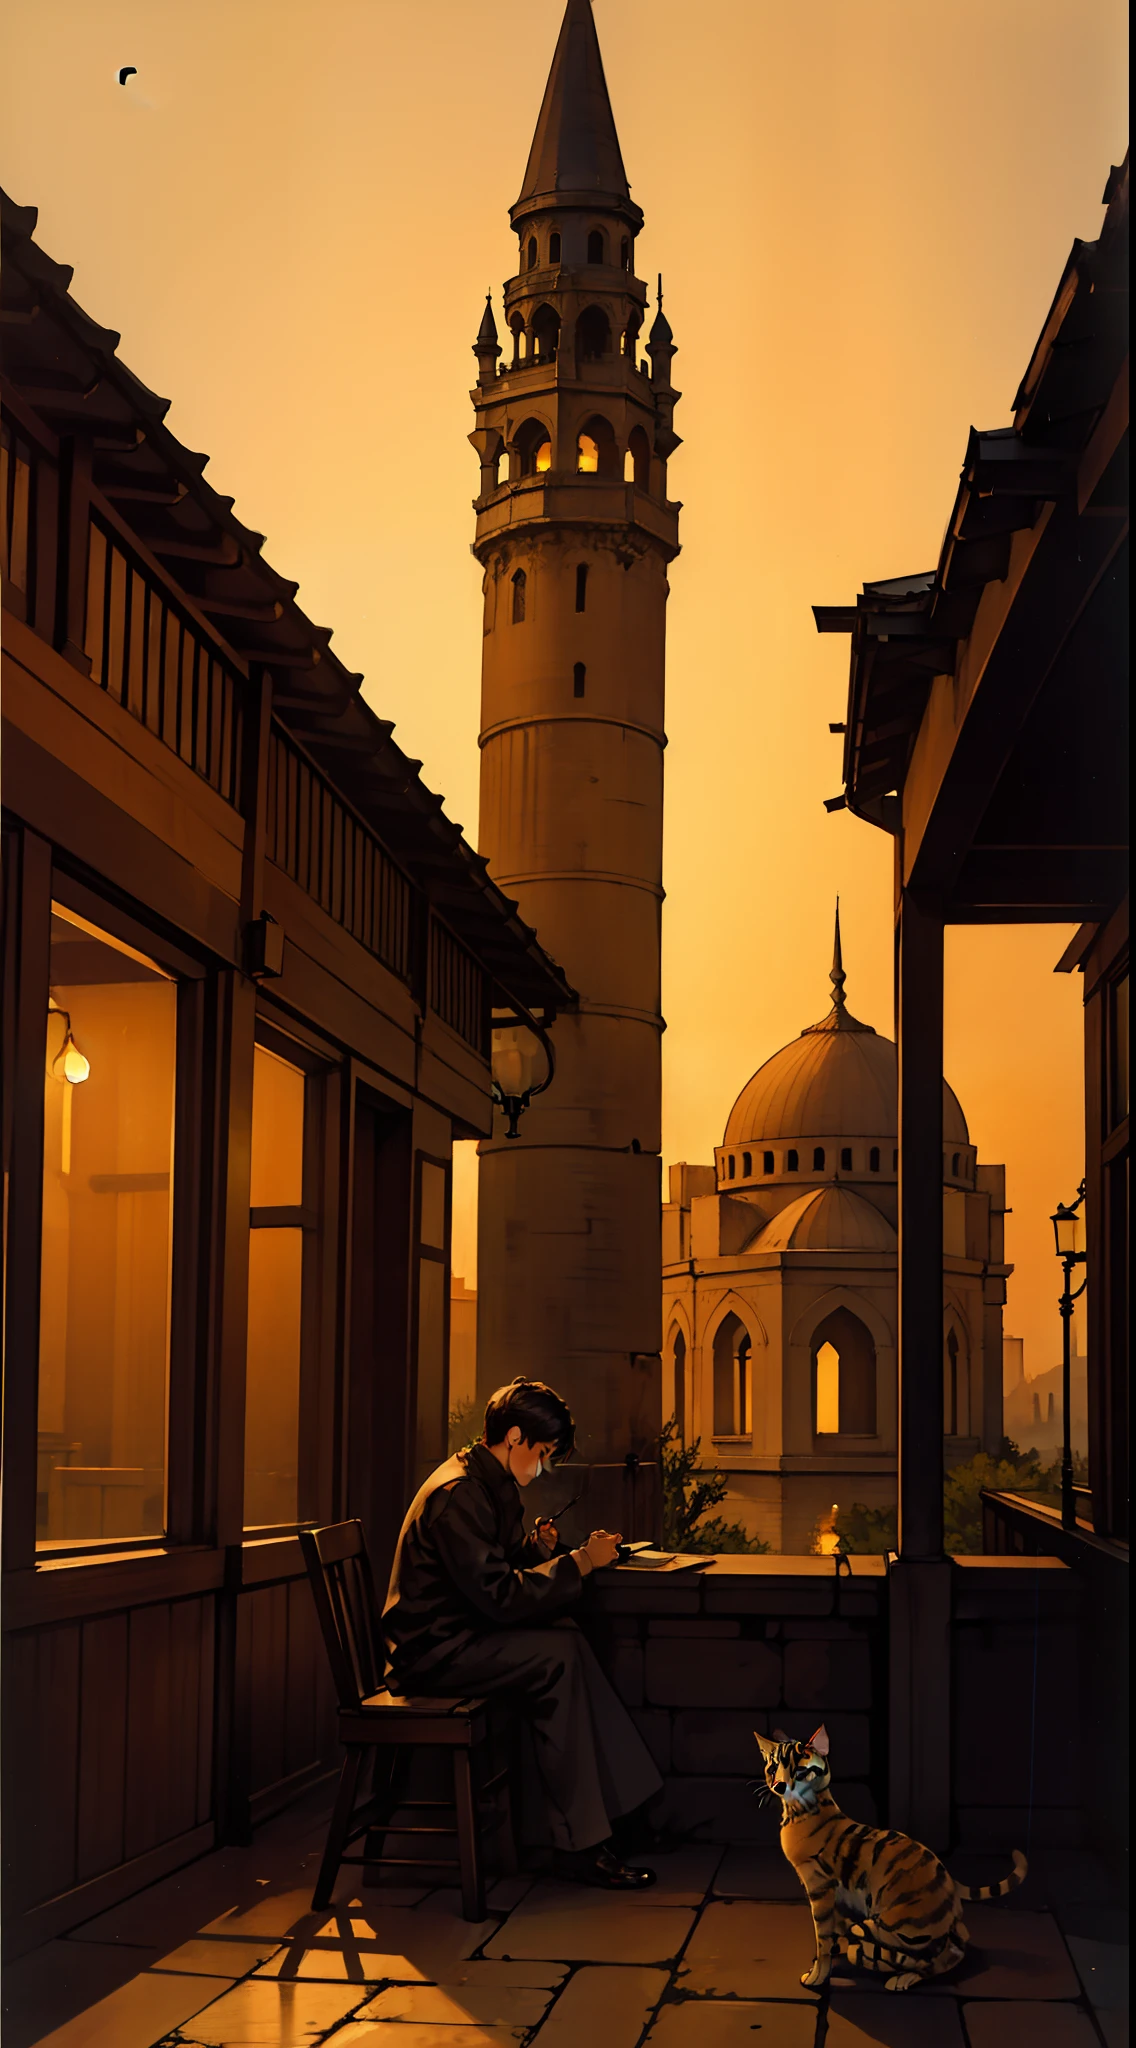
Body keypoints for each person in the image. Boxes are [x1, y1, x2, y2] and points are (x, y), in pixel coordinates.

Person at [382, 1376, 663, 1889]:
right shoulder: (460, 1493)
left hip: (458, 1636)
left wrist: (537, 1550)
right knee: (558, 1654)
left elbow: (490, 1574)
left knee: (566, 1643)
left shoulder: (485, 1481)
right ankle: (587, 1838)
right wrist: (578, 1561)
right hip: (433, 1652)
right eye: (542, 1452)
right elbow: (499, 1596)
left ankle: (605, 1823)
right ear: (513, 1437)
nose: (544, 1465)